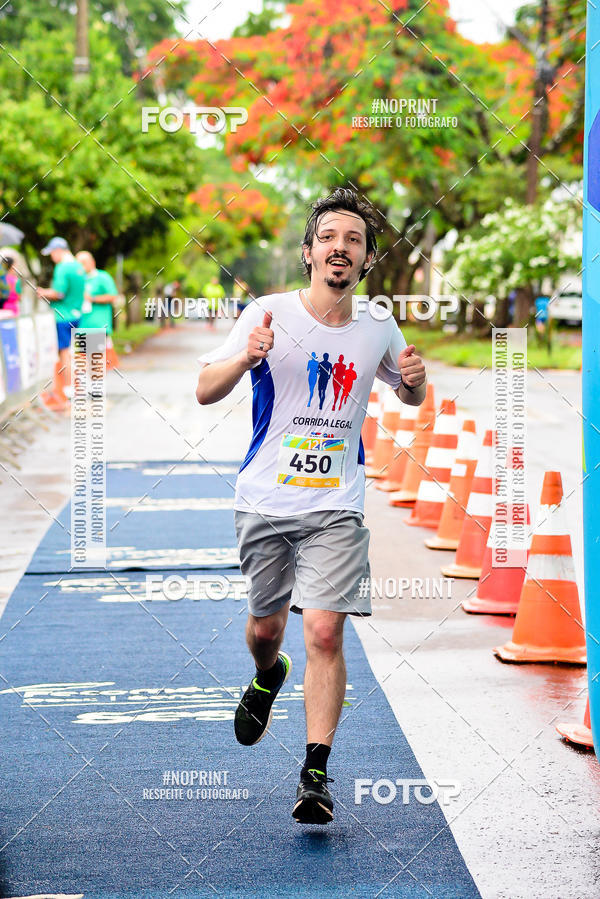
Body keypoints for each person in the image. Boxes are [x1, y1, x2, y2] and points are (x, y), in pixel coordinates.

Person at [195, 187, 427, 826]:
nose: (341, 248)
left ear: (366, 260)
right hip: (266, 500)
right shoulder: (267, 313)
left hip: (337, 505)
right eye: (329, 237)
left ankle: (316, 772)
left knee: (325, 628)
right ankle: (268, 673)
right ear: (308, 253)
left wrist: (415, 380)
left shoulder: (378, 323)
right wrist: (246, 356)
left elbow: (407, 394)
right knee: (267, 629)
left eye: (355, 240)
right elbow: (204, 390)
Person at [37, 237, 85, 396]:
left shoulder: (62, 268)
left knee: (65, 353)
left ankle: (69, 389)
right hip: (77, 315)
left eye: (52, 253)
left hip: (62, 316)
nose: (51, 256)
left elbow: (59, 293)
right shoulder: (78, 266)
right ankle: (78, 387)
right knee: (74, 352)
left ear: (58, 251)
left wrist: (43, 292)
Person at [76, 251, 119, 357]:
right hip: (82, 326)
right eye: (78, 263)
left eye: (84, 262)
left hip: (98, 325)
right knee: (83, 360)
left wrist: (92, 298)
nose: (81, 265)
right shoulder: (78, 280)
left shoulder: (102, 277)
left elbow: (113, 296)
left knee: (95, 361)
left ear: (92, 262)